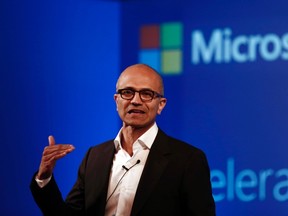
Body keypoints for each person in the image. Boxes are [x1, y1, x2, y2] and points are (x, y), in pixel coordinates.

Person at [30, 63, 216, 216]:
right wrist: (44, 178)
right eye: (128, 92)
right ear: (116, 100)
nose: (136, 100)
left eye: (146, 94)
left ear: (160, 105)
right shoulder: (95, 156)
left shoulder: (187, 160)